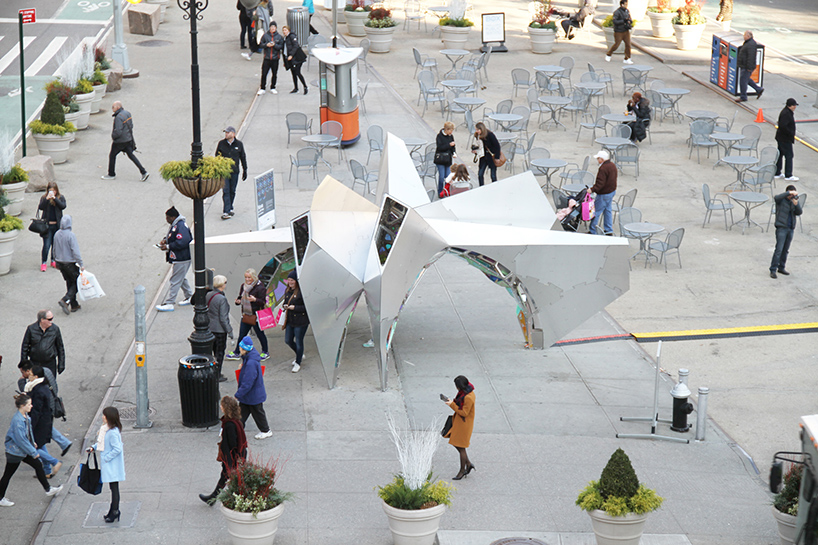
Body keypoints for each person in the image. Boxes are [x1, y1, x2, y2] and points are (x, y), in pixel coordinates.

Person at [0, 394, 63, 507]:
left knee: (38, 465)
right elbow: (21, 440)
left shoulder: (24, 417)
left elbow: (27, 434)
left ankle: (48, 489)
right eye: (29, 404)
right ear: (23, 406)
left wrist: (32, 443)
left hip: (21, 451)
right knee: (8, 474)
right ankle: (0, 498)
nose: (31, 406)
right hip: (15, 452)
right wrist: (33, 452)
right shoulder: (18, 421)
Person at [17, 361, 72, 463]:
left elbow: (30, 400)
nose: (24, 376)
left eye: (23, 373)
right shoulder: (46, 371)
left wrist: (31, 426)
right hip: (51, 404)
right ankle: (63, 444)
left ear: (29, 372)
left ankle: (52, 461)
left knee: (41, 434)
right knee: (46, 430)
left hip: (44, 411)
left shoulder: (34, 386)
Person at [199, 396, 248, 505]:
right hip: (237, 455)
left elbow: (232, 444)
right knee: (226, 477)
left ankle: (236, 501)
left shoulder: (230, 425)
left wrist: (229, 462)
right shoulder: (236, 420)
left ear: (226, 408)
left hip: (232, 457)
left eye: (222, 405)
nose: (220, 407)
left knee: (232, 478)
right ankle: (212, 499)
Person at [88, 407, 125, 523]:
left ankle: (114, 511)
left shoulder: (112, 432)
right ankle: (113, 510)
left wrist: (106, 458)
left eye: (104, 415)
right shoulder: (106, 429)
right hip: (110, 465)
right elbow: (101, 442)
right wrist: (93, 447)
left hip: (112, 466)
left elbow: (117, 448)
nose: (102, 417)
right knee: (113, 488)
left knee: (114, 488)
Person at [226, 269, 270, 361]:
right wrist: (238, 302)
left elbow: (262, 302)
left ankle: (265, 352)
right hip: (246, 314)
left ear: (254, 277)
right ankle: (237, 352)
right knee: (242, 334)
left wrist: (255, 300)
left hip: (256, 315)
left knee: (260, 334)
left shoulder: (260, 288)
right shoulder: (243, 286)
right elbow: (240, 297)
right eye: (246, 277)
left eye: (249, 277)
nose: (247, 279)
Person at [155, 207, 194, 312]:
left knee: (175, 280)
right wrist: (165, 240)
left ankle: (170, 302)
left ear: (173, 217)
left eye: (167, 217)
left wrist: (168, 246)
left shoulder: (180, 226)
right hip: (180, 257)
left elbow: (182, 241)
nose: (166, 219)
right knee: (180, 278)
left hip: (181, 257)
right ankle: (190, 296)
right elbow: (174, 237)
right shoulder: (177, 225)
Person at [24, 366, 60, 478]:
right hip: (44, 420)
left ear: (36, 376)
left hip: (40, 422)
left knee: (34, 445)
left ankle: (54, 462)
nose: (28, 376)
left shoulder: (38, 390)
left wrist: (31, 425)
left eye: (30, 374)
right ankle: (47, 470)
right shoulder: (40, 386)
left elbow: (36, 411)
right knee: (40, 444)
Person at [234, 337, 273, 440]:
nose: (239, 350)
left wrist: (238, 394)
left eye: (240, 348)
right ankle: (237, 430)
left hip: (252, 395)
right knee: (244, 413)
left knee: (256, 413)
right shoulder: (251, 359)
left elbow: (248, 382)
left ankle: (266, 430)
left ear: (245, 349)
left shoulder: (250, 363)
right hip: (252, 395)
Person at [101, 101, 149, 182]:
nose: (112, 108)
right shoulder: (127, 113)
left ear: (117, 107)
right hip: (128, 139)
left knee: (112, 155)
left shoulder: (118, 118)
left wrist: (113, 136)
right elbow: (131, 125)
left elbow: (118, 131)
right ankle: (143, 171)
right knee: (131, 155)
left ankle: (111, 174)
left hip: (120, 141)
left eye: (113, 107)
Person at [442, 375, 476, 481]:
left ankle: (462, 471)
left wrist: (452, 405)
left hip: (463, 424)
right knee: (457, 444)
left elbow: (464, 413)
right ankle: (468, 464)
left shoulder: (468, 397)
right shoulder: (465, 393)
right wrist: (452, 402)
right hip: (460, 422)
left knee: (461, 447)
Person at [769, 185, 802, 279]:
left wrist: (796, 204)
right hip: (781, 228)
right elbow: (776, 197)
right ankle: (773, 269)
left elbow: (799, 212)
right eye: (791, 194)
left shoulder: (793, 202)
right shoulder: (781, 201)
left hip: (790, 228)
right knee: (779, 249)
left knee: (785, 250)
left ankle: (781, 267)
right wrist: (789, 193)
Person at [52, 215, 84, 315]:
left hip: (60, 263)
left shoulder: (57, 234)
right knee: (77, 282)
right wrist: (81, 263)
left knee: (69, 282)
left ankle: (74, 304)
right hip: (70, 263)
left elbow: (54, 248)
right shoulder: (70, 235)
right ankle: (66, 299)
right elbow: (75, 251)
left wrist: (55, 260)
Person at [215, 126, 248, 220]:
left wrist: (245, 170)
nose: (226, 134)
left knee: (232, 190)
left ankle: (230, 208)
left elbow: (243, 157)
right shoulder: (221, 144)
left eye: (228, 132)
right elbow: (217, 157)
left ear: (233, 134)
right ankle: (226, 211)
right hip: (224, 172)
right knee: (226, 191)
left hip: (234, 172)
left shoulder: (239, 144)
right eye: (225, 132)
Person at [20, 310, 65, 378]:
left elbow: (60, 347)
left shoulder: (55, 329)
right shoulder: (31, 329)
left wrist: (61, 364)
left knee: (50, 384)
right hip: (35, 363)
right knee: (35, 384)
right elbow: (25, 347)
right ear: (42, 320)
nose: (51, 321)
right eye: (49, 319)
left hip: (50, 363)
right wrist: (24, 365)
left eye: (52, 318)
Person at [207, 275, 233, 382]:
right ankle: (217, 374)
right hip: (219, 330)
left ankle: (211, 372)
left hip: (209, 328)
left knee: (212, 353)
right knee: (219, 353)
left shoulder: (208, 295)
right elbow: (223, 318)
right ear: (222, 284)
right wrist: (229, 330)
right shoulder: (221, 299)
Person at [282, 270, 309, 373]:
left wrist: (295, 308)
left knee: (299, 342)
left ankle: (298, 362)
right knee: (288, 340)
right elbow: (285, 301)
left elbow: (306, 307)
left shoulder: (302, 291)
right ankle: (299, 354)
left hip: (301, 321)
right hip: (290, 320)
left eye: (292, 280)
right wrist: (285, 305)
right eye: (289, 280)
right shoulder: (287, 290)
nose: (290, 282)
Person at [37, 182, 66, 272]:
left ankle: (53, 260)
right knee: (46, 245)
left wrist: (55, 199)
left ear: (56, 191)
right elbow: (41, 207)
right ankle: (44, 262)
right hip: (47, 226)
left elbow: (63, 206)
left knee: (55, 245)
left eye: (53, 191)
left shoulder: (60, 198)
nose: (52, 192)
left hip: (57, 225)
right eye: (50, 190)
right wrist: (47, 199)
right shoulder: (44, 198)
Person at [590, 150, 617, 236]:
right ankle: (608, 230)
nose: (597, 160)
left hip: (604, 194)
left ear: (601, 159)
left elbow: (600, 183)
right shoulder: (612, 165)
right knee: (607, 210)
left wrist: (592, 189)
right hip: (611, 192)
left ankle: (592, 230)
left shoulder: (603, 168)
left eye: (598, 158)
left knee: (596, 212)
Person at [258, 21, 284, 96]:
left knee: (274, 73)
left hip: (275, 58)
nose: (273, 28)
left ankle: (273, 87)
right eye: (271, 27)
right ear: (269, 28)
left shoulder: (279, 37)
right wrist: (267, 45)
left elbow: (281, 47)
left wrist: (274, 45)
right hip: (267, 57)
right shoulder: (265, 36)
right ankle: (262, 88)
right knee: (264, 73)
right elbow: (261, 44)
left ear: (276, 28)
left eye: (274, 27)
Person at [736, 31, 764, 102]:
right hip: (745, 65)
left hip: (746, 66)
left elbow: (751, 57)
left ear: (748, 36)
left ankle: (743, 97)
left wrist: (749, 67)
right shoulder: (748, 43)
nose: (743, 36)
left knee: (743, 81)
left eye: (745, 35)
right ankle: (758, 89)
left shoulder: (750, 44)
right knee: (746, 79)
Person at [471, 122, 501, 187]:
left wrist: (497, 157)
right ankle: (481, 187)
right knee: (480, 174)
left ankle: (495, 187)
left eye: (477, 130)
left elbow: (497, 146)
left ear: (481, 129)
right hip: (483, 157)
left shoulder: (490, 135)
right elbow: (480, 147)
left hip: (491, 157)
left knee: (493, 175)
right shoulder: (478, 136)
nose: (476, 131)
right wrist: (476, 151)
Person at [775, 98, 798, 182]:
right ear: (789, 106)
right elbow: (783, 126)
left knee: (780, 154)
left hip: (781, 138)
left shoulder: (787, 112)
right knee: (789, 156)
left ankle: (777, 172)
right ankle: (788, 175)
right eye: (793, 105)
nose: (795, 107)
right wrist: (790, 133)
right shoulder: (786, 114)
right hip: (785, 139)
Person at [282, 26, 308, 95]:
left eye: (286, 30)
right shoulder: (285, 38)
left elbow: (295, 46)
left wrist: (291, 55)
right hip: (291, 59)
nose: (284, 32)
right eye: (283, 30)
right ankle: (296, 88)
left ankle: (305, 86)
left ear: (289, 30)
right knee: (293, 73)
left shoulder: (291, 36)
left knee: (297, 72)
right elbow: (284, 50)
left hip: (297, 58)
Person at [605, 0, 633, 64]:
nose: (626, 5)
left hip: (626, 30)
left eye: (627, 4)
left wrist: (629, 21)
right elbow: (615, 21)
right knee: (617, 44)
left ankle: (627, 58)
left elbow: (630, 18)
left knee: (628, 44)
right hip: (619, 31)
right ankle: (609, 54)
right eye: (625, 4)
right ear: (622, 4)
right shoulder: (617, 12)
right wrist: (623, 21)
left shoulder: (627, 11)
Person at [435, 122, 456, 197]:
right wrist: (448, 145)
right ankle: (440, 191)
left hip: (448, 159)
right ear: (446, 129)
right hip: (440, 159)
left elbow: (453, 146)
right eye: (450, 130)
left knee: (448, 176)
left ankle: (447, 191)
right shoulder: (439, 136)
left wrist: (454, 152)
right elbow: (440, 147)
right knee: (441, 176)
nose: (451, 132)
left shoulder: (451, 136)